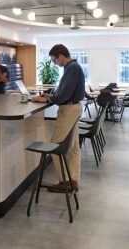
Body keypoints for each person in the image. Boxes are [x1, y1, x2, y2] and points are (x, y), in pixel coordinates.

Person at [31, 44, 84, 193]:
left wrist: (46, 100)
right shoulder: (73, 67)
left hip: (69, 110)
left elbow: (64, 94)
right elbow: (65, 91)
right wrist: (50, 96)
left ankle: (65, 181)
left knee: (55, 146)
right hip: (74, 107)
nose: (55, 63)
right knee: (74, 148)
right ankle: (73, 180)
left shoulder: (72, 68)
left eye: (55, 60)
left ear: (61, 56)